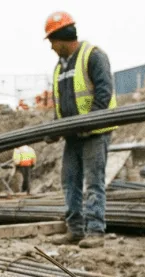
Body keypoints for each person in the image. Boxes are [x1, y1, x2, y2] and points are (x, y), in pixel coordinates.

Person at [45, 11, 117, 248]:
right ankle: (75, 229)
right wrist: (56, 128)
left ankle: (95, 231)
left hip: (95, 133)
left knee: (93, 181)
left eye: (52, 42)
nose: (52, 47)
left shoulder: (93, 56)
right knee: (69, 180)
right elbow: (60, 102)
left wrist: (89, 122)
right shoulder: (59, 67)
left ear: (62, 37)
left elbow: (104, 94)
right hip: (72, 135)